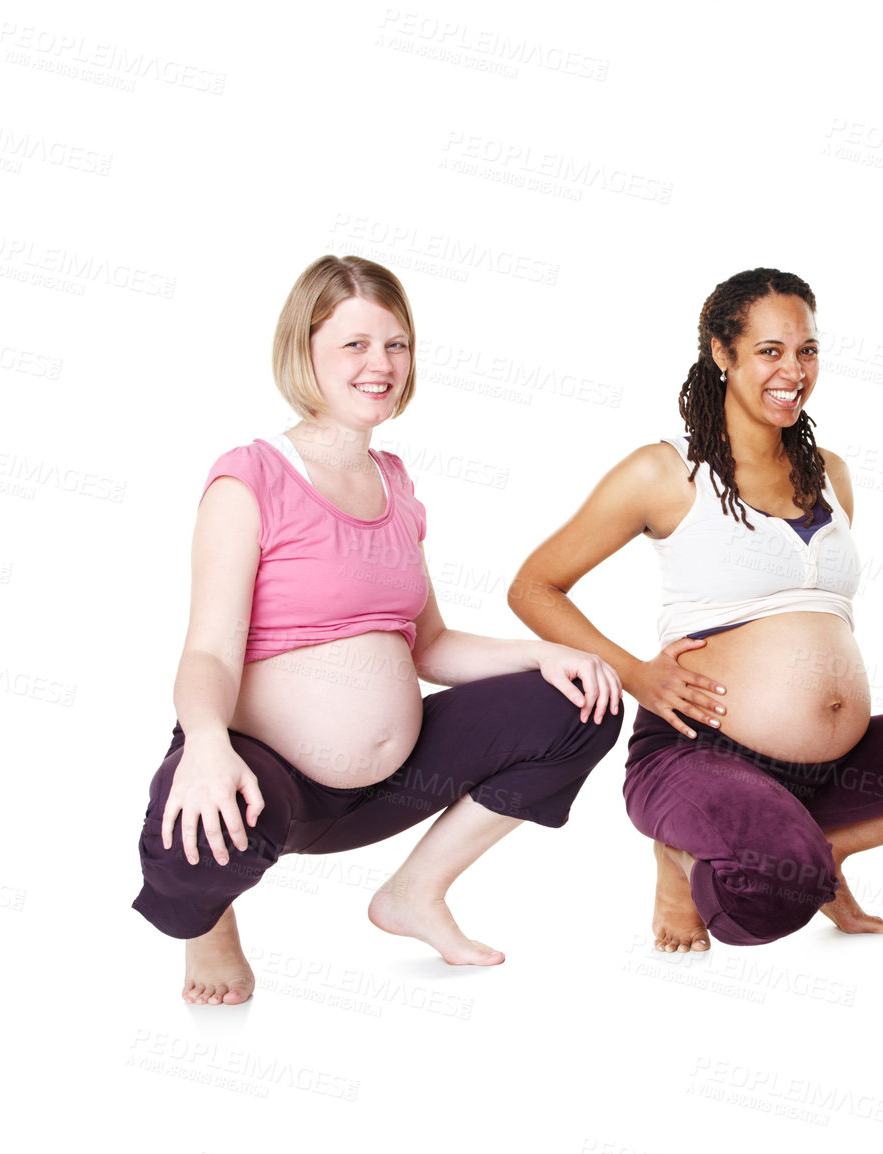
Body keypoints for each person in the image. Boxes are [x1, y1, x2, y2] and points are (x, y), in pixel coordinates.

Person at [509, 267, 883, 952]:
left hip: (838, 765)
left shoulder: (831, 474)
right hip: (699, 751)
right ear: (723, 355)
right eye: (770, 350)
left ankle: (830, 846)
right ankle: (680, 856)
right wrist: (635, 673)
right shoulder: (664, 472)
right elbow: (534, 586)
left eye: (807, 350)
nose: (794, 370)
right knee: (775, 897)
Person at [133, 255, 623, 1004]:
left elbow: (429, 646)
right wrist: (204, 744)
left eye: (395, 344)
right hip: (275, 786)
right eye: (354, 345)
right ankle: (211, 924)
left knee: (585, 701)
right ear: (306, 353)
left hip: (393, 784)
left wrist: (546, 652)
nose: (381, 364)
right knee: (190, 824)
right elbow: (205, 651)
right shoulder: (251, 477)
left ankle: (414, 893)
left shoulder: (395, 481)